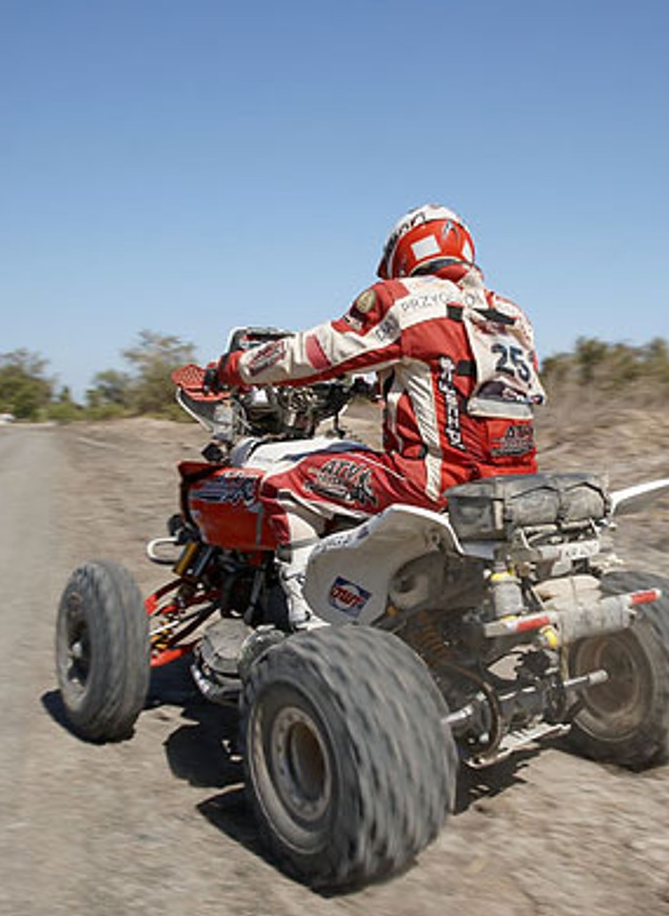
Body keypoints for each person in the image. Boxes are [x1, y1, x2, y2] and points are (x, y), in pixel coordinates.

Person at [203, 204, 544, 624]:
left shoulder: (403, 301)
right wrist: (379, 387)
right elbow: (460, 383)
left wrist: (231, 369)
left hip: (431, 486)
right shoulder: (512, 315)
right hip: (513, 486)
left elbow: (312, 354)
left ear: (405, 253)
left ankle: (310, 628)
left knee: (281, 484)